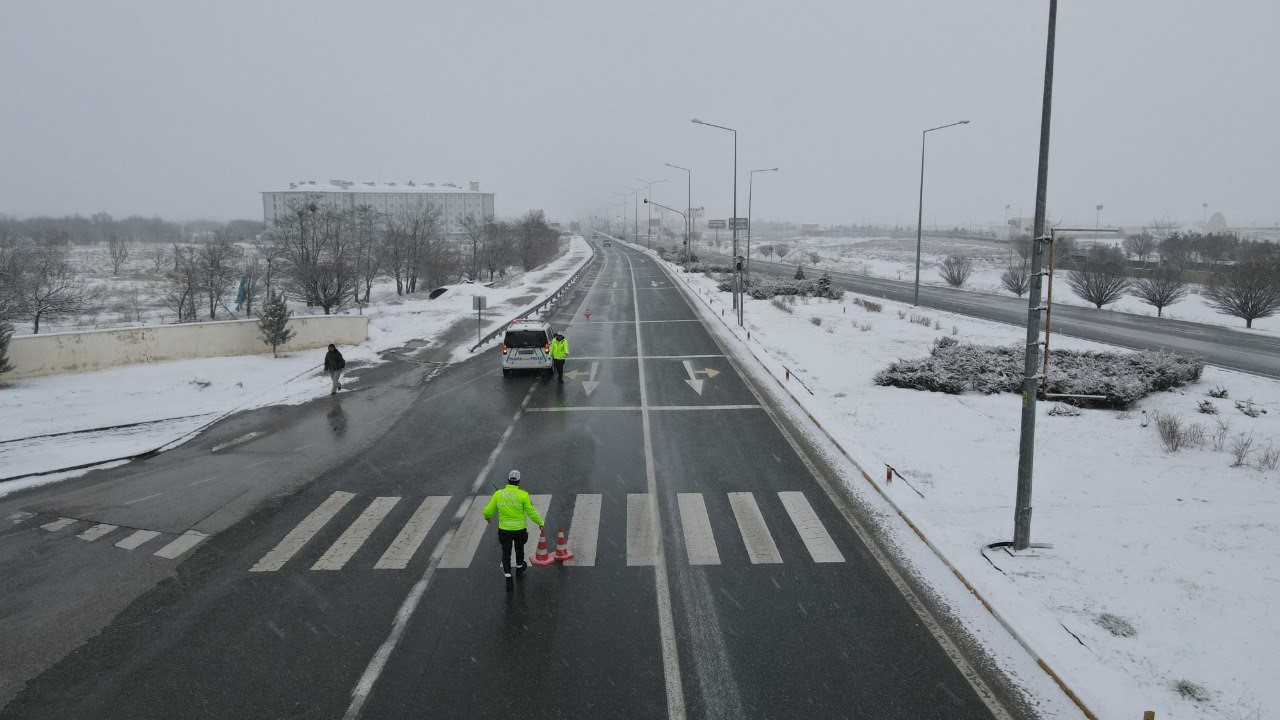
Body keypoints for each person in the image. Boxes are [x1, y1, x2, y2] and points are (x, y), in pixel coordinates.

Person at [483, 470, 544, 590]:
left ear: (508, 480)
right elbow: (531, 512)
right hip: (519, 530)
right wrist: (540, 523)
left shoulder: (498, 494)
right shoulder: (523, 495)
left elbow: (488, 510)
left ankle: (508, 577)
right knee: (519, 549)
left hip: (504, 531)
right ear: (519, 482)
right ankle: (520, 568)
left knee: (506, 553)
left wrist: (487, 517)